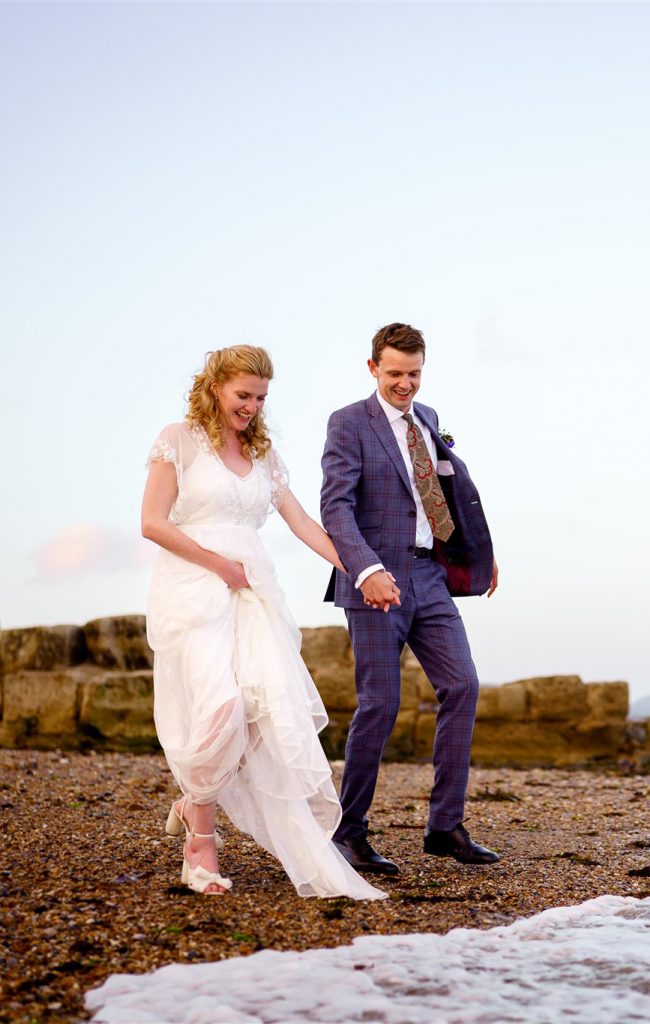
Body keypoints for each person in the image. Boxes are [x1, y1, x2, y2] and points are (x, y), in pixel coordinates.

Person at [141, 344, 386, 900]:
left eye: (260, 398)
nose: (251, 407)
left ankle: (192, 801)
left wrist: (363, 567)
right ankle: (201, 845)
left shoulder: (264, 456)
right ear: (215, 388)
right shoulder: (177, 440)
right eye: (242, 395)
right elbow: (152, 522)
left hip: (253, 594)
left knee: (256, 711)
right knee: (221, 707)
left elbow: (301, 522)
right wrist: (219, 564)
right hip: (193, 589)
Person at [321, 322, 500, 876]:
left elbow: (442, 494)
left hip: (430, 578)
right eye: (395, 373)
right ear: (372, 368)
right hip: (375, 581)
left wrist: (478, 554)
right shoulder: (349, 423)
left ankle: (445, 827)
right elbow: (335, 508)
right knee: (381, 705)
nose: (406, 385)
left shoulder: (428, 418)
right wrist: (366, 569)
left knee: (463, 685)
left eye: (414, 374)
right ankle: (349, 834)